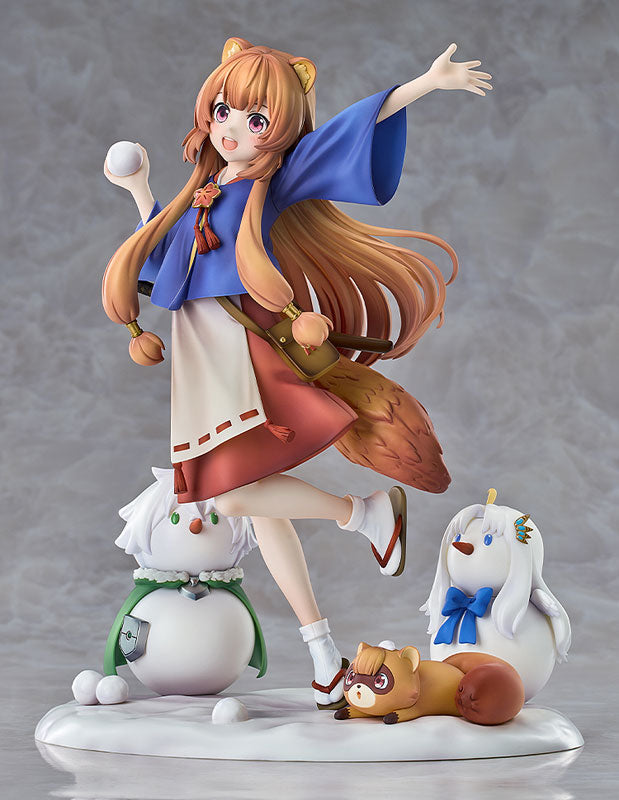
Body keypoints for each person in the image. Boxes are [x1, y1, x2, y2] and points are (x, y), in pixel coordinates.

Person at [103, 38, 491, 708]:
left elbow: (345, 132)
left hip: (240, 350)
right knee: (257, 503)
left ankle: (362, 514)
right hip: (201, 356)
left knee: (230, 498)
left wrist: (425, 84)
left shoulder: (270, 183)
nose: (232, 128)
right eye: (224, 110)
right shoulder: (202, 193)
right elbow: (163, 265)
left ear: (279, 130)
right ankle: (321, 654)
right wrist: (139, 192)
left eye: (256, 119)